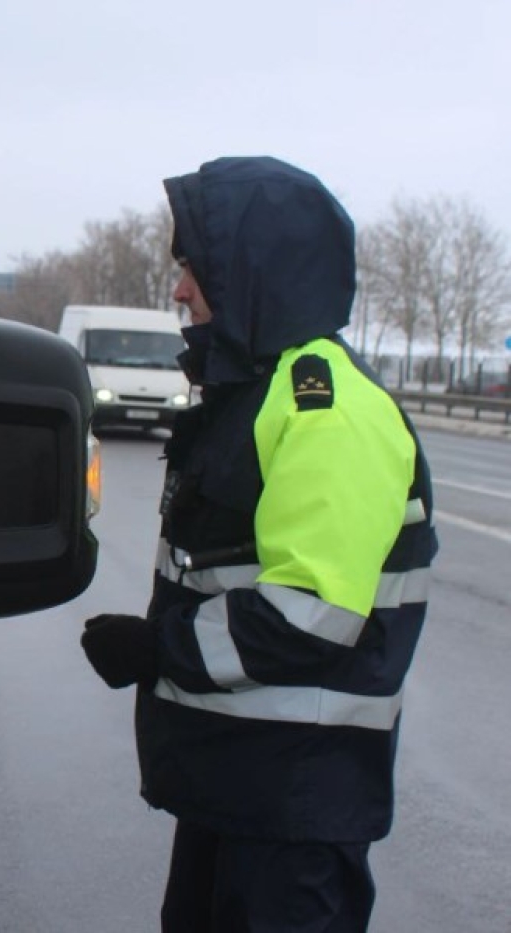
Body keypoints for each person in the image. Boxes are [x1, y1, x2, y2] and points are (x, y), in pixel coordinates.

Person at [79, 156, 438, 932]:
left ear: (249, 269)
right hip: (246, 786)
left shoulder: (323, 406)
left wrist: (157, 648)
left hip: (294, 807)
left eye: (193, 268)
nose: (179, 290)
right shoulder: (262, 390)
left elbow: (311, 613)